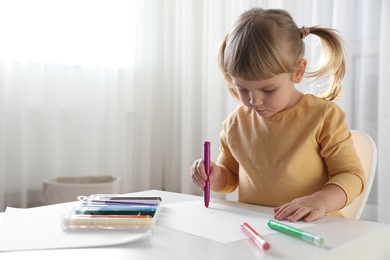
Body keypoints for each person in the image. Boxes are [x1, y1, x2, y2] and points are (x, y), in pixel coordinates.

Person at [190, 7, 365, 223]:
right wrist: (214, 176)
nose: (254, 101)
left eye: (268, 90)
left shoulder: (323, 117)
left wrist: (320, 201)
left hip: (313, 227)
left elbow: (352, 176)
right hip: (258, 228)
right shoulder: (235, 124)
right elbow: (230, 178)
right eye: (242, 89)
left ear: (298, 72)